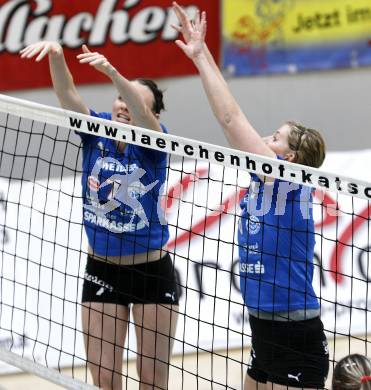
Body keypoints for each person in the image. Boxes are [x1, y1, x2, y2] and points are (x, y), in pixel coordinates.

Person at [172, 2, 328, 389]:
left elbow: (230, 119)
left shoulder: (285, 180)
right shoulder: (264, 179)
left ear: (289, 158)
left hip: (294, 332)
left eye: (274, 138)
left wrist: (200, 58)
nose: (263, 139)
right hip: (264, 326)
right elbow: (234, 123)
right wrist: (202, 51)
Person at [20, 41, 179, 390]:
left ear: (151, 114)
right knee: (104, 379)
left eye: (133, 101)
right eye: (120, 98)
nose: (124, 105)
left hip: (150, 273)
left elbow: (142, 116)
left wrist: (112, 73)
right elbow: (67, 94)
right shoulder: (98, 130)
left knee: (152, 380)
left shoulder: (155, 142)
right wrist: (57, 56)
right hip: (102, 270)